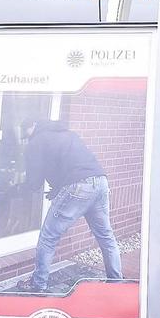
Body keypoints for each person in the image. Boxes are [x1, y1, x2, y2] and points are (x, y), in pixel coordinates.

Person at [19, 113, 123, 294]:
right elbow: (69, 164)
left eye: (25, 133)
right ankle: (116, 282)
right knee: (106, 237)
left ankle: (39, 284)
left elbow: (34, 183)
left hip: (78, 187)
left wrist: (17, 189)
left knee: (48, 237)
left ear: (32, 125)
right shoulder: (68, 134)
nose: (26, 137)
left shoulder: (35, 142)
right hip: (100, 182)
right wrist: (58, 188)